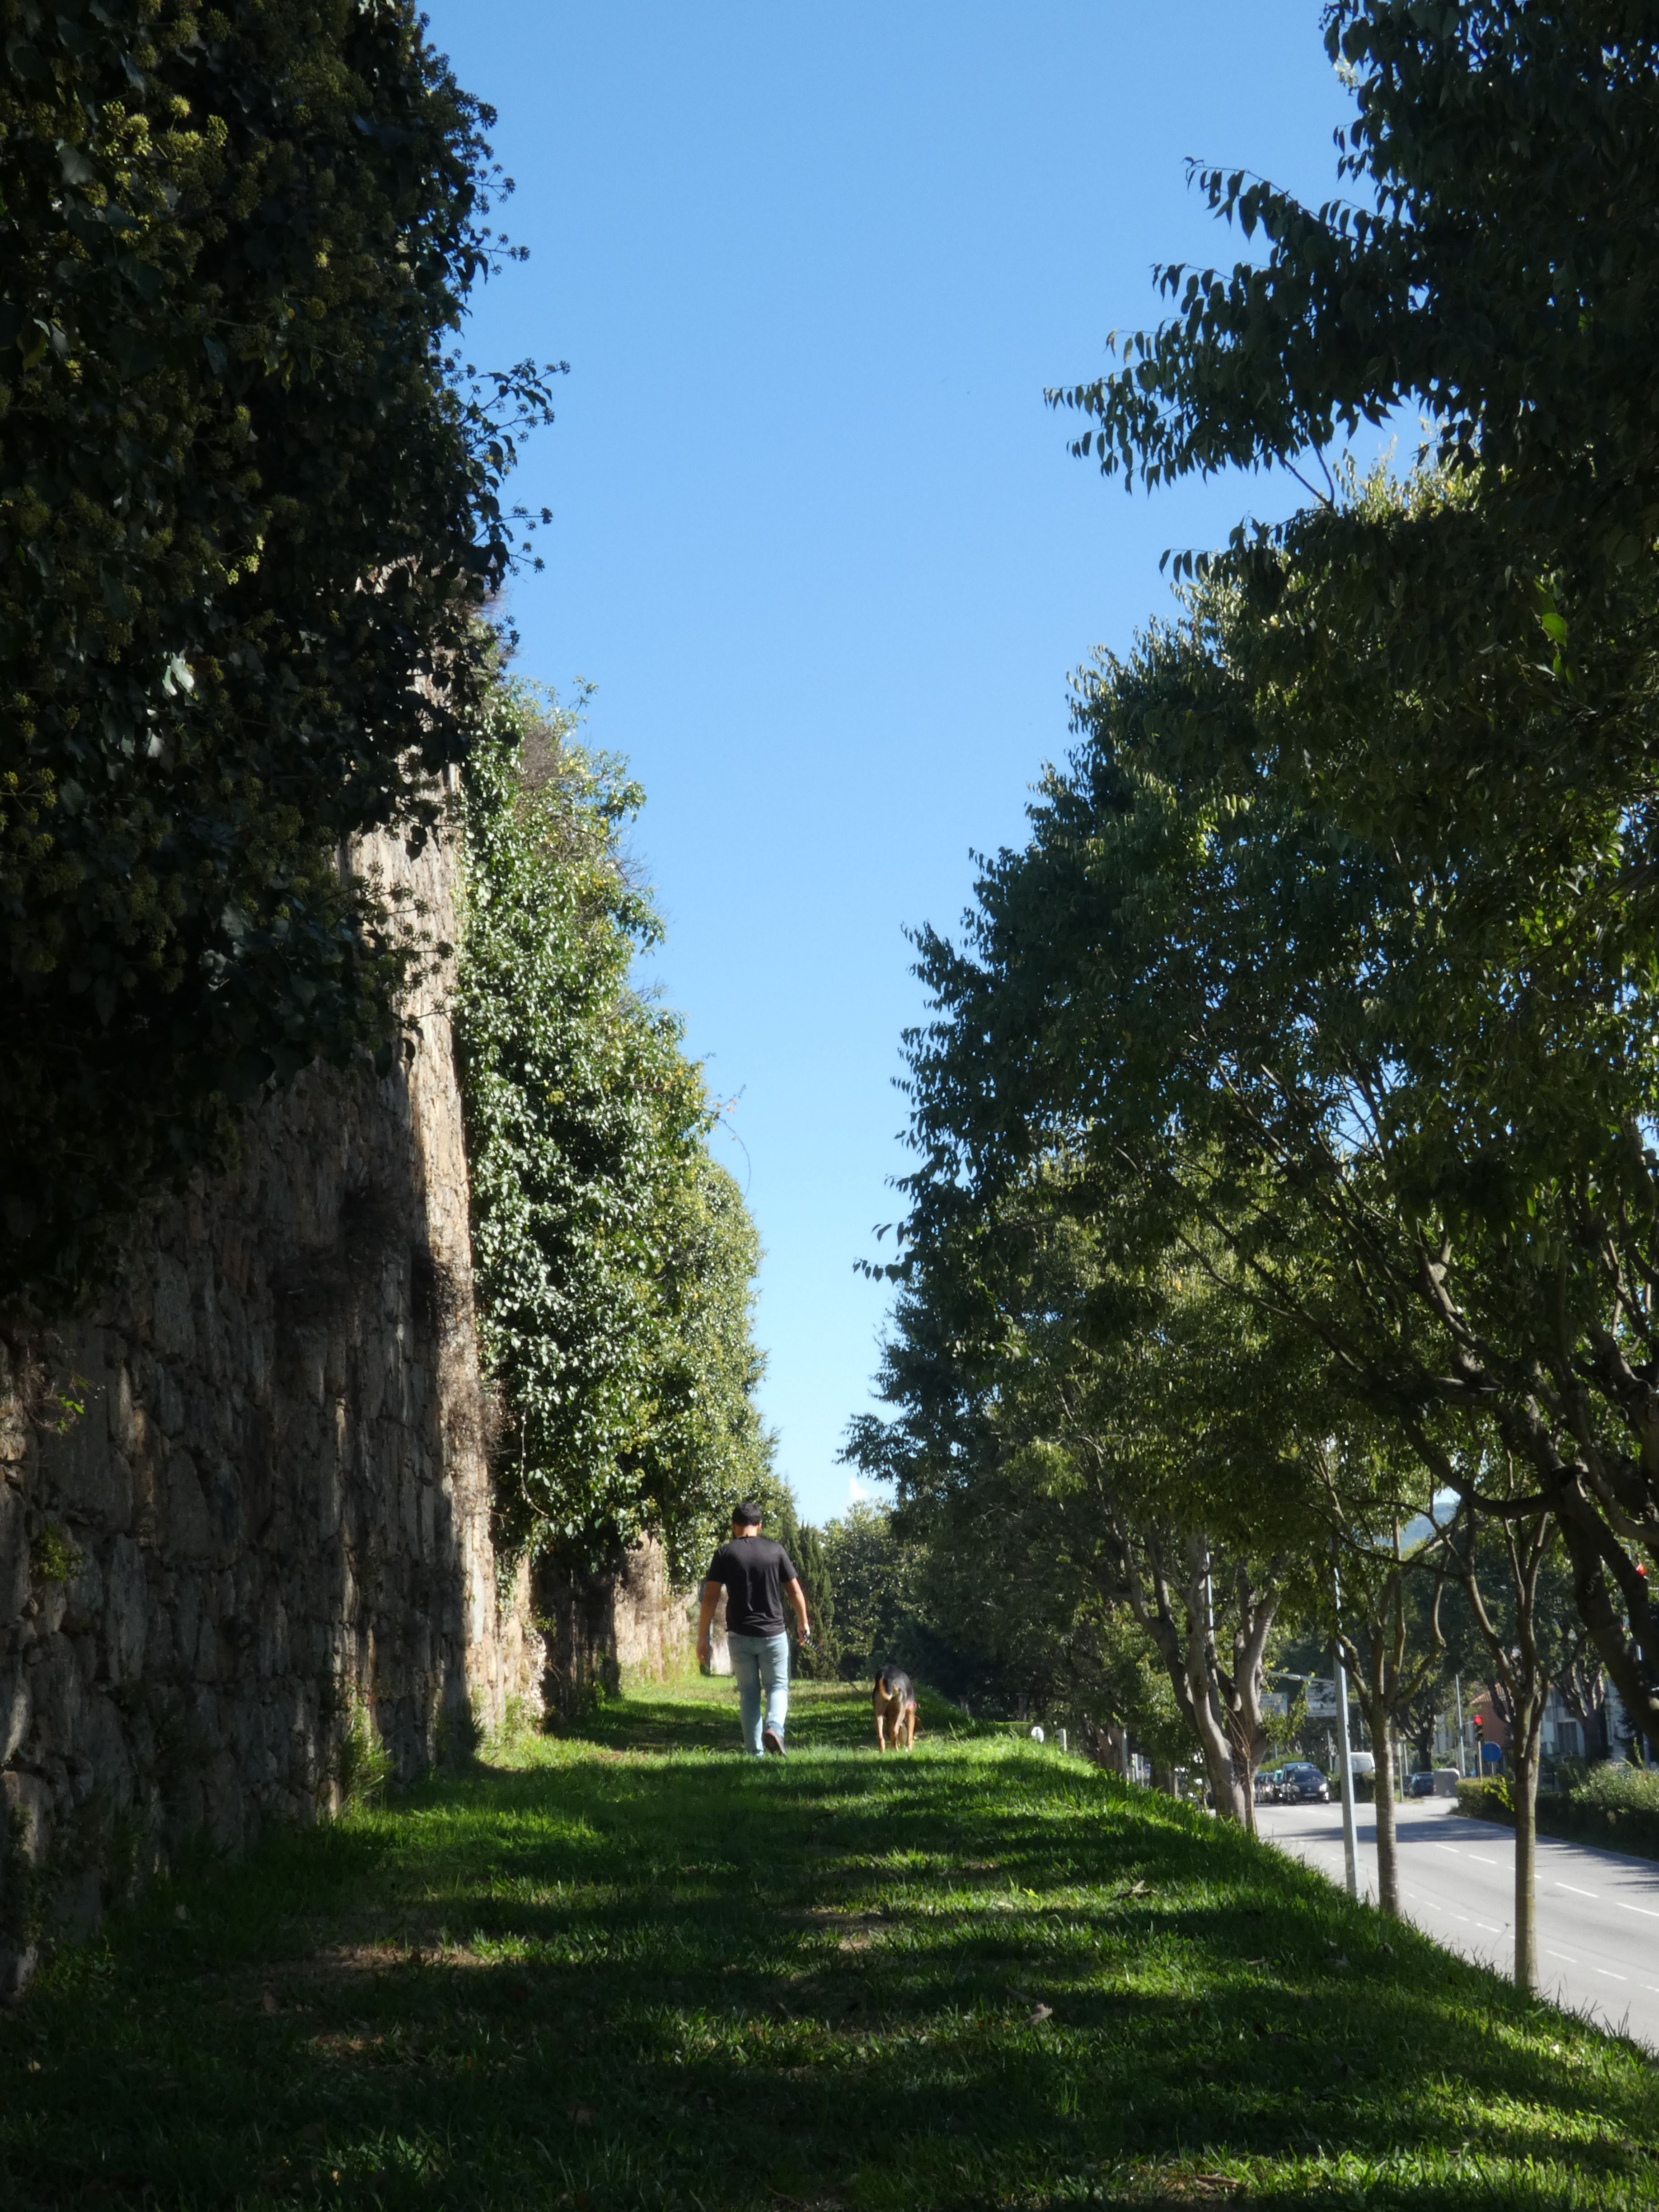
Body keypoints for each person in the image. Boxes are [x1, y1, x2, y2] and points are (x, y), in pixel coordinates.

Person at [697, 1500, 811, 1756]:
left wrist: (702, 1636)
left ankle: (754, 1754)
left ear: (735, 1526)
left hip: (739, 1635)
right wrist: (803, 1622)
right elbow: (794, 1590)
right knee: (778, 1687)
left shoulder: (725, 1554)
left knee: (749, 1694)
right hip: (773, 1635)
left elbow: (710, 1598)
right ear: (759, 1525)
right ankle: (774, 1727)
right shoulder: (776, 1551)